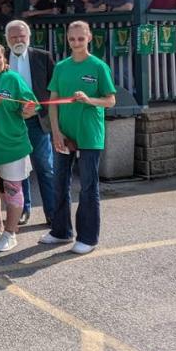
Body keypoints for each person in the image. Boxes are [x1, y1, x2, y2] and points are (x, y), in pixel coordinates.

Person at [40, 20, 117, 255]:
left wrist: (89, 100)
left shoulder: (98, 66)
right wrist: (56, 131)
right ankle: (61, 230)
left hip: (89, 134)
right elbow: (53, 101)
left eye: (80, 39)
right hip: (64, 133)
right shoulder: (61, 66)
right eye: (72, 39)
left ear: (89, 38)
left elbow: (110, 100)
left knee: (87, 186)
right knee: (59, 182)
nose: (76, 43)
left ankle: (88, 237)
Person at [0, 42, 39, 253]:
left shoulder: (12, 79)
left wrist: (28, 109)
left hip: (13, 144)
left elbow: (30, 107)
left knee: (13, 188)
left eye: (0, 57)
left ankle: (10, 233)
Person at [4, 20, 56, 226]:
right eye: (14, 37)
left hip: (38, 122)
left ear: (29, 37)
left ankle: (52, 212)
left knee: (45, 167)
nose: (18, 40)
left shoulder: (43, 57)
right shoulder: (1, 59)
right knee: (18, 169)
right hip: (11, 122)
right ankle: (23, 209)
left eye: (22, 36)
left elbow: (54, 89)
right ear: (7, 39)